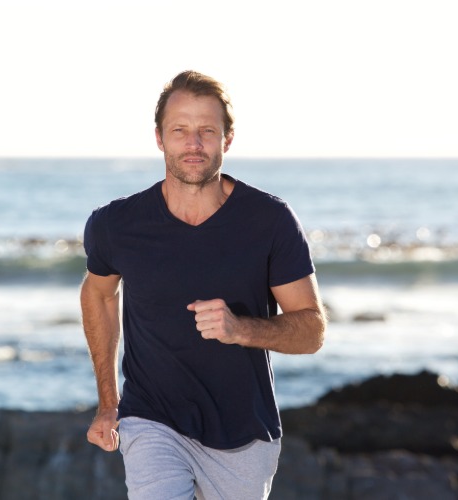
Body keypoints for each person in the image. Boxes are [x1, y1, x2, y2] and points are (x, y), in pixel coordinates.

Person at [80, 70, 326, 499]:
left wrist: (241, 328)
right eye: (180, 130)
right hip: (151, 420)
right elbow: (99, 295)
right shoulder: (116, 224)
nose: (193, 144)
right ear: (159, 138)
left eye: (207, 131)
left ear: (227, 139)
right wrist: (108, 402)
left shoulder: (269, 221)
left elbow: (312, 331)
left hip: (243, 434)